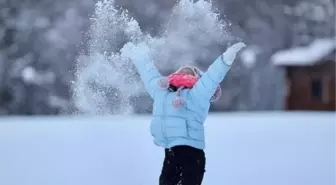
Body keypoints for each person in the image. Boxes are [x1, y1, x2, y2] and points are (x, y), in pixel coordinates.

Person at [121, 41, 246, 185]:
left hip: (192, 155)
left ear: (198, 78)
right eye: (181, 71)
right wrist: (138, 55)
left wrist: (225, 60)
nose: (185, 72)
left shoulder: (198, 94)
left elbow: (212, 77)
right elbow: (148, 73)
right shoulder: (161, 92)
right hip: (170, 153)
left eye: (190, 72)